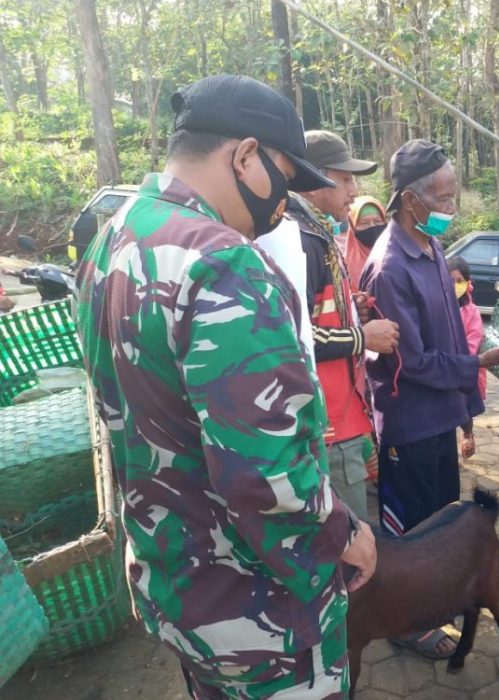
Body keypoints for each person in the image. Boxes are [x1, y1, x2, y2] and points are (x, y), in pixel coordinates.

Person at [74, 75, 376, 699]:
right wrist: (344, 535)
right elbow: (265, 475)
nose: (283, 206)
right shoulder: (225, 262)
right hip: (262, 615)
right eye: (285, 183)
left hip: (177, 587)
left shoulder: (115, 238)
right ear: (244, 156)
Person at [361, 138, 499, 658]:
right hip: (409, 425)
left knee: (440, 523)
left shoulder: (432, 250)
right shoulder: (389, 265)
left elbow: (452, 337)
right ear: (411, 201)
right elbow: (410, 361)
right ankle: (404, 624)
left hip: (439, 417)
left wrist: (464, 413)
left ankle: (437, 603)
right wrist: (480, 364)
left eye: (455, 195)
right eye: (444, 198)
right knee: (410, 534)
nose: (452, 208)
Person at [286, 130, 399, 518]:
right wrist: (360, 336)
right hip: (327, 426)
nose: (354, 189)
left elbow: (314, 312)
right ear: (315, 178)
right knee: (351, 548)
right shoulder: (297, 237)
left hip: (343, 416)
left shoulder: (314, 229)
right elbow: (291, 334)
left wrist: (351, 309)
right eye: (346, 178)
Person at [447, 255, 486, 459]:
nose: (455, 285)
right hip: (444, 368)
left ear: (467, 282)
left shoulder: (471, 311)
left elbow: (474, 340)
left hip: (465, 369)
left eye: (459, 281)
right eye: (450, 281)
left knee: (465, 407)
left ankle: (468, 433)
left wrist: (459, 362)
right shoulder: (438, 307)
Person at [345, 196, 388, 291]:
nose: (372, 227)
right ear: (353, 227)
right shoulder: (345, 266)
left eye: (377, 221)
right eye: (364, 223)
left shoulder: (397, 254)